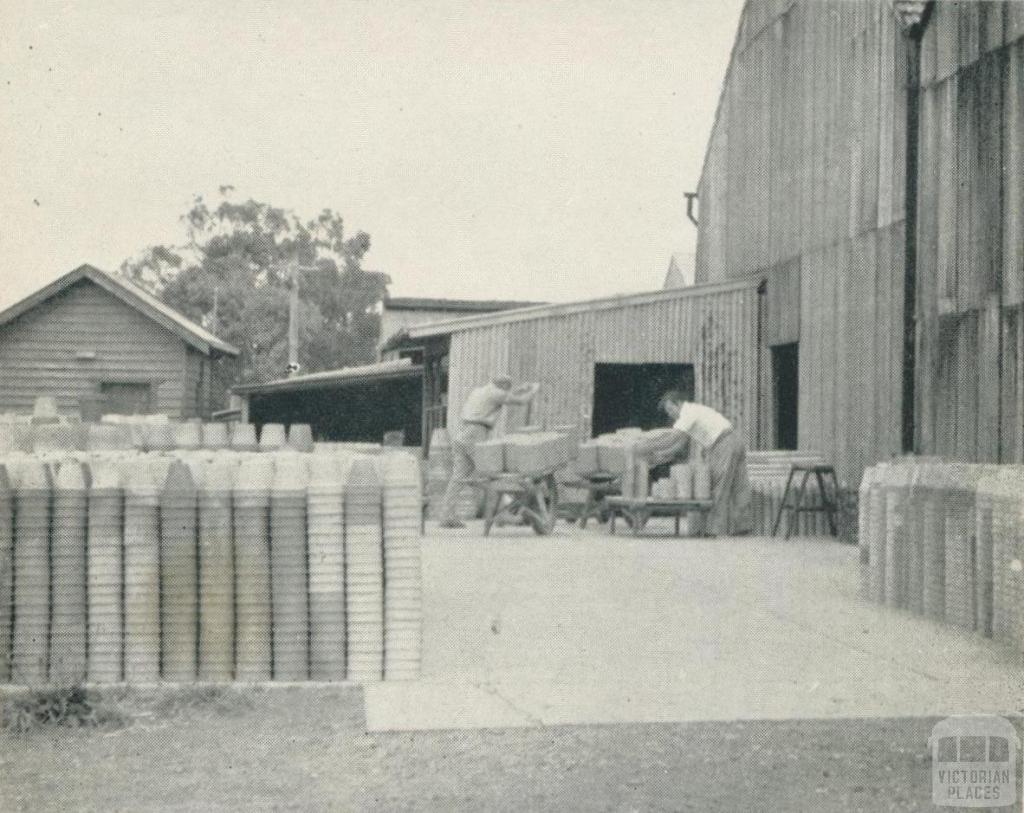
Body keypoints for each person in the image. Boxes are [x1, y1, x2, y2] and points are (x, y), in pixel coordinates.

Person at [634, 391, 753, 536]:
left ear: (679, 404)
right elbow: (679, 445)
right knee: (739, 486)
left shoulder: (687, 413)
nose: (671, 415)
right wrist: (660, 457)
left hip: (723, 444)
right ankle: (743, 527)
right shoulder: (694, 411)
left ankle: (712, 531)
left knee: (718, 486)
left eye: (671, 410)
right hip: (735, 440)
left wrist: (646, 447)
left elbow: (673, 438)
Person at [437, 375, 540, 529]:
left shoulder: (480, 390)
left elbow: (507, 395)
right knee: (493, 473)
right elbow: (521, 401)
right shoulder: (498, 394)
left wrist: (521, 388)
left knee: (458, 478)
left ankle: (446, 516)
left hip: (462, 432)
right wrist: (533, 390)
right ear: (504, 387)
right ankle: (502, 513)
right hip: (476, 433)